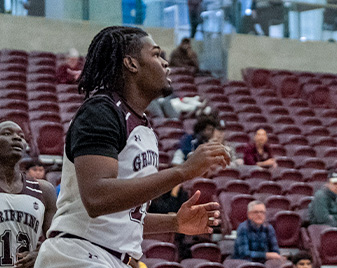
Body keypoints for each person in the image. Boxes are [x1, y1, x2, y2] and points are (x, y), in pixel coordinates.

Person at [34, 25, 231, 268]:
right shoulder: (101, 112)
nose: (165, 63)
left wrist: (175, 223)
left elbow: (121, 216)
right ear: (132, 64)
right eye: (156, 54)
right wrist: (183, 171)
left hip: (108, 257)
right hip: (78, 254)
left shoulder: (143, 127)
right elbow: (97, 198)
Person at [0, 120, 57, 268]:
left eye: (21, 136)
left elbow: (56, 241)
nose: (17, 138)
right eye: (7, 133)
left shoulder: (44, 190)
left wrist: (40, 253)